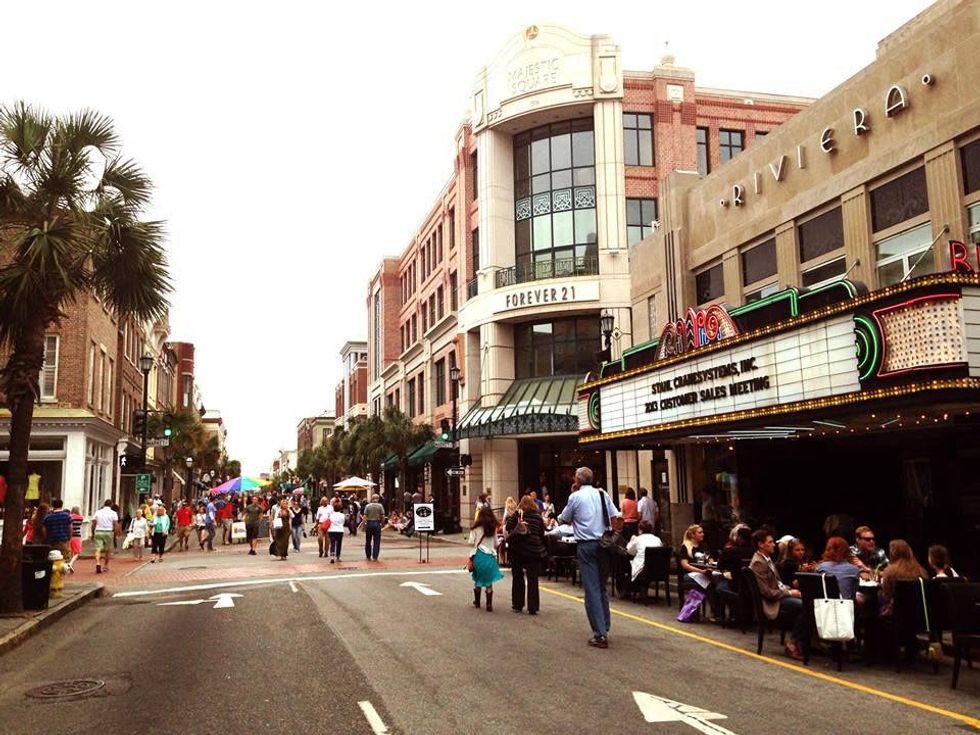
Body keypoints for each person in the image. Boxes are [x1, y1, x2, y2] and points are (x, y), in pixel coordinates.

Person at [557, 466, 621, 648]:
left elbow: (564, 518)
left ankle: (600, 634)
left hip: (586, 545)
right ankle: (604, 625)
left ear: (577, 481)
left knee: (591, 588)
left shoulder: (575, 497)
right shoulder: (602, 494)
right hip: (604, 544)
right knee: (600, 586)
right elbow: (615, 516)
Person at [749, 529, 805, 660]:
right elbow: (767, 592)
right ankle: (793, 642)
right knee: (805, 606)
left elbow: (777, 583)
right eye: (770, 542)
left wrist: (789, 588)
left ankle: (805, 641)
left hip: (780, 594)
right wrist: (789, 592)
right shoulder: (759, 562)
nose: (774, 544)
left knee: (808, 600)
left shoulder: (767, 559)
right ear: (760, 544)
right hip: (772, 601)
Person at [506, 495, 547, 615]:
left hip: (518, 550)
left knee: (518, 577)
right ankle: (533, 606)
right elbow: (541, 532)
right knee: (533, 579)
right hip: (533, 551)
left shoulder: (518, 514)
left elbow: (508, 527)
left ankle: (518, 604)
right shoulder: (537, 516)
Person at [879, 539, 927, 616]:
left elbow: (887, 595)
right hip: (919, 611)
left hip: (896, 611)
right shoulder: (921, 571)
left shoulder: (890, 571)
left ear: (893, 553)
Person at [469, 507, 504, 611]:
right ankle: (489, 604)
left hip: (478, 556)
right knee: (489, 581)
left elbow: (471, 542)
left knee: (478, 579)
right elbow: (496, 544)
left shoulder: (475, 528)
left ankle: (477, 602)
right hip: (490, 557)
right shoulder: (493, 528)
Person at [626, 519, 663, 585]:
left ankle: (628, 589)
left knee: (630, 568)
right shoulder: (657, 539)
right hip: (658, 570)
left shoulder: (637, 539)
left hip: (643, 570)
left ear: (640, 530)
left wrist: (632, 539)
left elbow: (629, 551)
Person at [91, 499, 119, 574]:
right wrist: (115, 534)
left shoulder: (98, 512)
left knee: (98, 549)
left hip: (99, 531)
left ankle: (97, 562)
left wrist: (93, 533)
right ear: (111, 505)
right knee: (108, 550)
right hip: (108, 532)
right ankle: (106, 566)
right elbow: (116, 524)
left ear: (104, 504)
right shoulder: (113, 513)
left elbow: (93, 523)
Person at [41, 497, 73, 562]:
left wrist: (47, 538)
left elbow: (44, 529)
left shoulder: (48, 517)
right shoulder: (66, 516)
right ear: (61, 505)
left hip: (52, 541)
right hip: (63, 540)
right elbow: (70, 527)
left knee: (53, 558)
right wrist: (69, 537)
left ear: (53, 506)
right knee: (64, 558)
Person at [363, 494, 386, 561]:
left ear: (372, 499)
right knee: (376, 541)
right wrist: (382, 523)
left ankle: (368, 556)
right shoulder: (380, 506)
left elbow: (365, 516)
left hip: (369, 523)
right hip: (377, 523)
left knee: (368, 540)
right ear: (378, 499)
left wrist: (365, 524)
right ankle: (375, 556)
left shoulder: (368, 506)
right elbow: (383, 516)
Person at [326, 499, 346, 563]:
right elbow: (343, 523)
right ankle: (338, 557)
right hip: (340, 530)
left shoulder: (331, 515)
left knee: (332, 543)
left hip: (331, 530)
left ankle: (332, 557)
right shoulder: (342, 515)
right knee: (339, 544)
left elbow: (329, 521)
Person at [67, 506, 84, 573]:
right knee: (77, 552)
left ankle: (70, 565)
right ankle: (70, 564)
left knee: (71, 551)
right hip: (77, 536)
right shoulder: (81, 518)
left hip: (69, 536)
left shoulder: (69, 517)